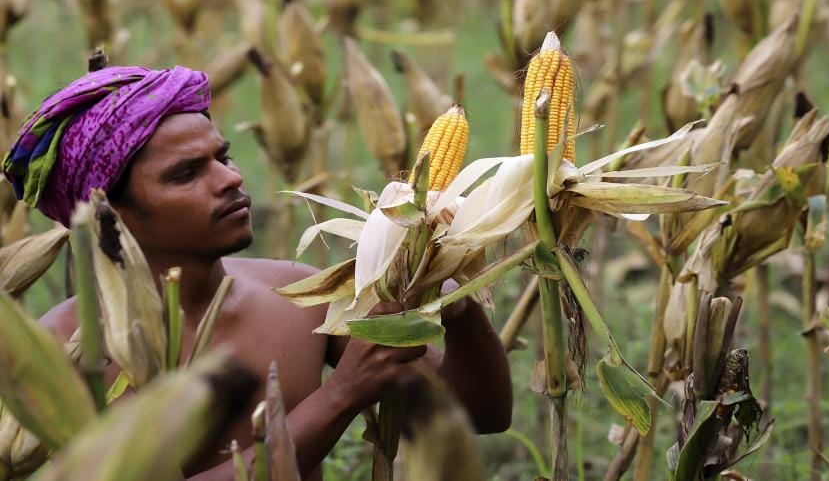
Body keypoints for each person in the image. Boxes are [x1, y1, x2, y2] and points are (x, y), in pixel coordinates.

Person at [2, 65, 512, 480]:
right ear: (106, 211)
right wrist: (339, 397)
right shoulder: (68, 355)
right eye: (186, 173)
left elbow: (482, 415)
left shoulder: (295, 291)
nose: (231, 178)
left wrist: (458, 302)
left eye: (222, 157)